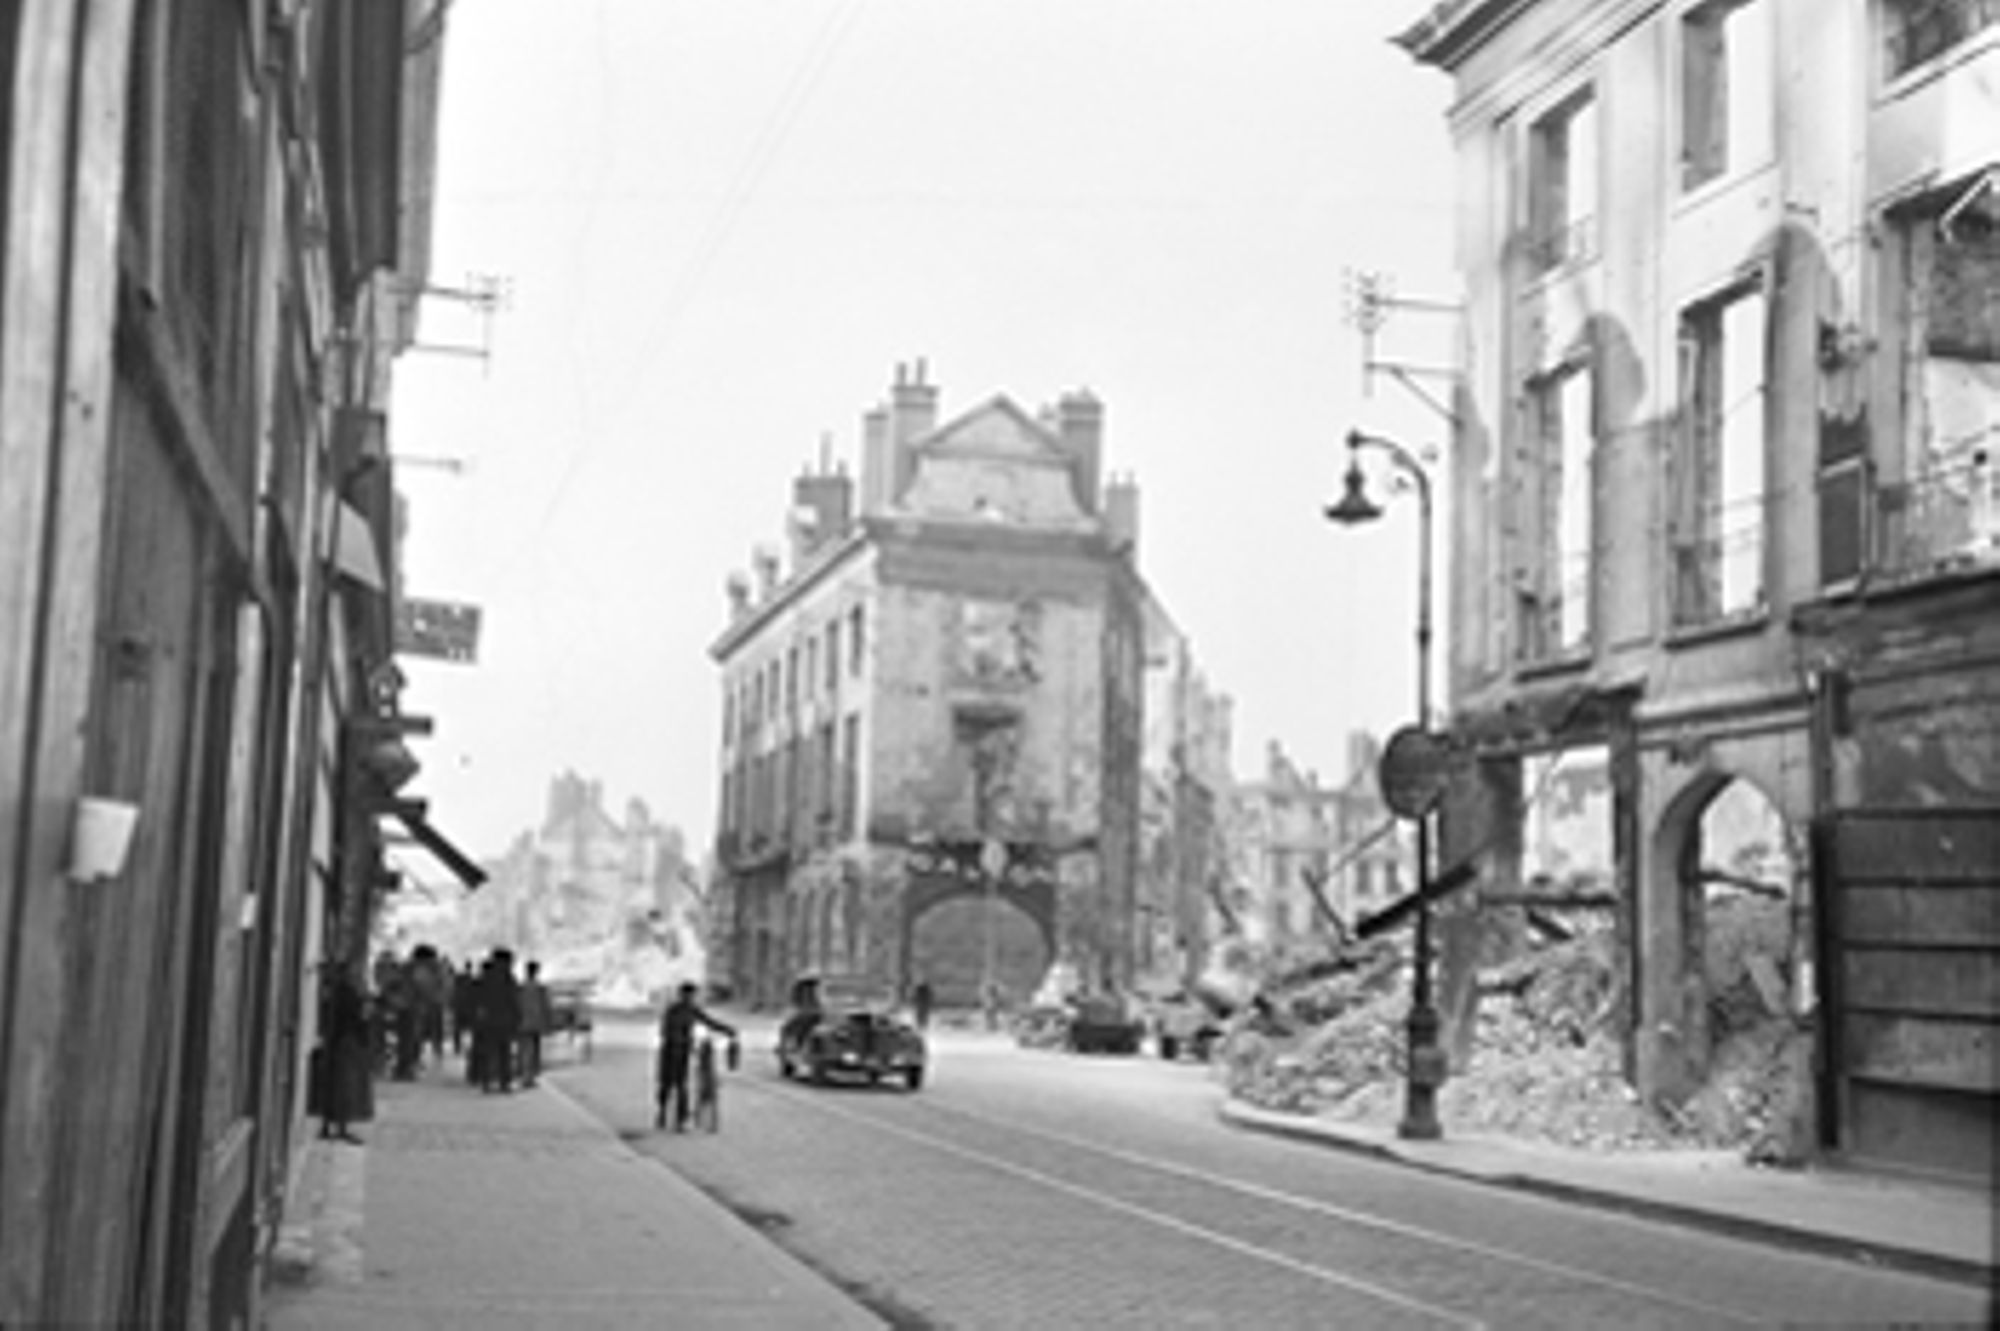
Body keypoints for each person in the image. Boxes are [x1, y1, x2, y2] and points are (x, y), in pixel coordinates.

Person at [656, 982, 736, 1132]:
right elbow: (665, 1031)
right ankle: (661, 1112)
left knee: (682, 1085)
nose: (690, 998)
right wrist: (679, 1039)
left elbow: (709, 1022)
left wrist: (727, 1030)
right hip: (670, 1051)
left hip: (684, 1051)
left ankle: (681, 1119)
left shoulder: (693, 1010)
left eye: (692, 996)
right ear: (681, 995)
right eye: (687, 995)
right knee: (666, 1085)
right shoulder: (673, 1011)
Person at [317, 972, 371, 1144]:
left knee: (334, 1085)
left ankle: (328, 1125)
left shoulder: (337, 991)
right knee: (345, 1086)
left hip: (336, 1041)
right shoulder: (349, 995)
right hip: (346, 1043)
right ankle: (340, 1127)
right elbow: (358, 1018)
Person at [517, 960, 551, 1088]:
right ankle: (529, 1076)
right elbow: (546, 1007)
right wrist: (548, 1023)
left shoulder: (520, 987)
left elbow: (516, 1005)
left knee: (525, 1049)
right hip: (537, 1023)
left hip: (522, 1022)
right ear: (536, 972)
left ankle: (526, 1076)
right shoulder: (541, 988)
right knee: (534, 1050)